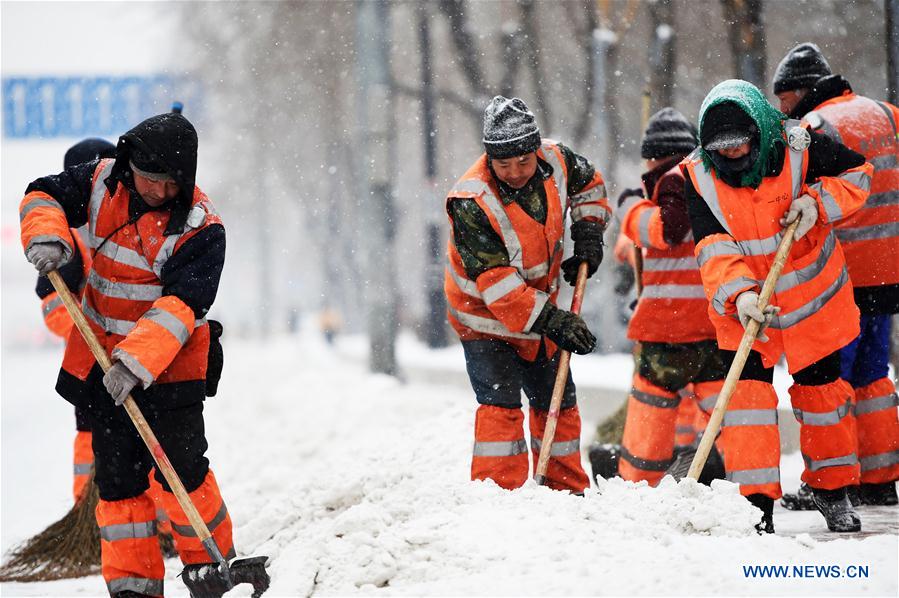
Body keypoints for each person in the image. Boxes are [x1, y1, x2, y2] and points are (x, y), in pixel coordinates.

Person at [20, 112, 231, 596]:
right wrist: (47, 235)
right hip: (100, 361)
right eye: (150, 180)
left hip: (171, 364)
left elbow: (181, 306)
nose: (159, 192)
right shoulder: (99, 182)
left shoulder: (202, 228)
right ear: (130, 164)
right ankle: (133, 583)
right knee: (117, 482)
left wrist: (133, 365)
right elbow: (42, 194)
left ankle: (210, 566)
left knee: (184, 470)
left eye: (170, 184)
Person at [681, 79, 873, 533]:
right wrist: (741, 294)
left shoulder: (800, 145)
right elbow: (712, 245)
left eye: (739, 145)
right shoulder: (698, 175)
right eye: (720, 149)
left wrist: (816, 203)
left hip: (813, 303)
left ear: (759, 132)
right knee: (747, 403)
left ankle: (832, 492)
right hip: (746, 307)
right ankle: (755, 507)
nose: (730, 156)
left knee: (823, 399)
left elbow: (859, 174)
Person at [445, 96, 610, 493]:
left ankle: (565, 489)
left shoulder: (557, 160)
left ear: (535, 149)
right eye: (504, 165)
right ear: (490, 160)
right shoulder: (471, 201)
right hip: (483, 319)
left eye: (524, 161)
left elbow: (590, 186)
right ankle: (498, 495)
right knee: (500, 408)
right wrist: (555, 321)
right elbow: (497, 284)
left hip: (537, 305)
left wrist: (588, 233)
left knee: (557, 400)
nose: (516, 172)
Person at [772, 42, 899, 508]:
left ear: (800, 92)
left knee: (832, 380)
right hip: (891, 272)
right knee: (873, 374)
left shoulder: (813, 128)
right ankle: (881, 478)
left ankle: (834, 483)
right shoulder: (888, 114)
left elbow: (794, 198)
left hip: (840, 276)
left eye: (783, 101)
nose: (782, 110)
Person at [607, 108, 729, 486]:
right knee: (722, 414)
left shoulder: (674, 179)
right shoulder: (713, 181)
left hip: (669, 327)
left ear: (654, 156)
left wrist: (628, 207)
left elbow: (668, 231)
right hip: (714, 323)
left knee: (651, 411)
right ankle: (727, 477)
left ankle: (639, 486)